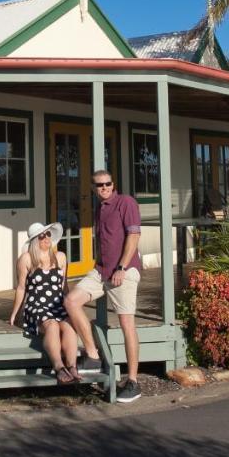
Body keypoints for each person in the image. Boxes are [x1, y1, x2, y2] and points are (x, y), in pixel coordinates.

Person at [64, 168, 143, 403]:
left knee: (127, 323)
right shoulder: (100, 208)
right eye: (99, 185)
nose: (105, 188)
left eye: (108, 183)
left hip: (123, 272)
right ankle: (92, 352)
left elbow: (133, 236)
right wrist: (102, 265)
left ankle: (133, 382)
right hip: (101, 271)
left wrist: (121, 267)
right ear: (94, 188)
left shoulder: (125, 203)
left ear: (113, 183)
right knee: (71, 301)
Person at [9, 221, 79, 384]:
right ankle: (59, 367)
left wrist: (70, 306)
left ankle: (72, 366)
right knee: (52, 325)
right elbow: (21, 288)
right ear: (35, 240)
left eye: (48, 234)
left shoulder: (60, 257)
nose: (46, 238)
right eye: (42, 235)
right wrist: (15, 314)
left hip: (57, 305)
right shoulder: (26, 259)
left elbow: (64, 285)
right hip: (36, 306)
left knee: (68, 326)